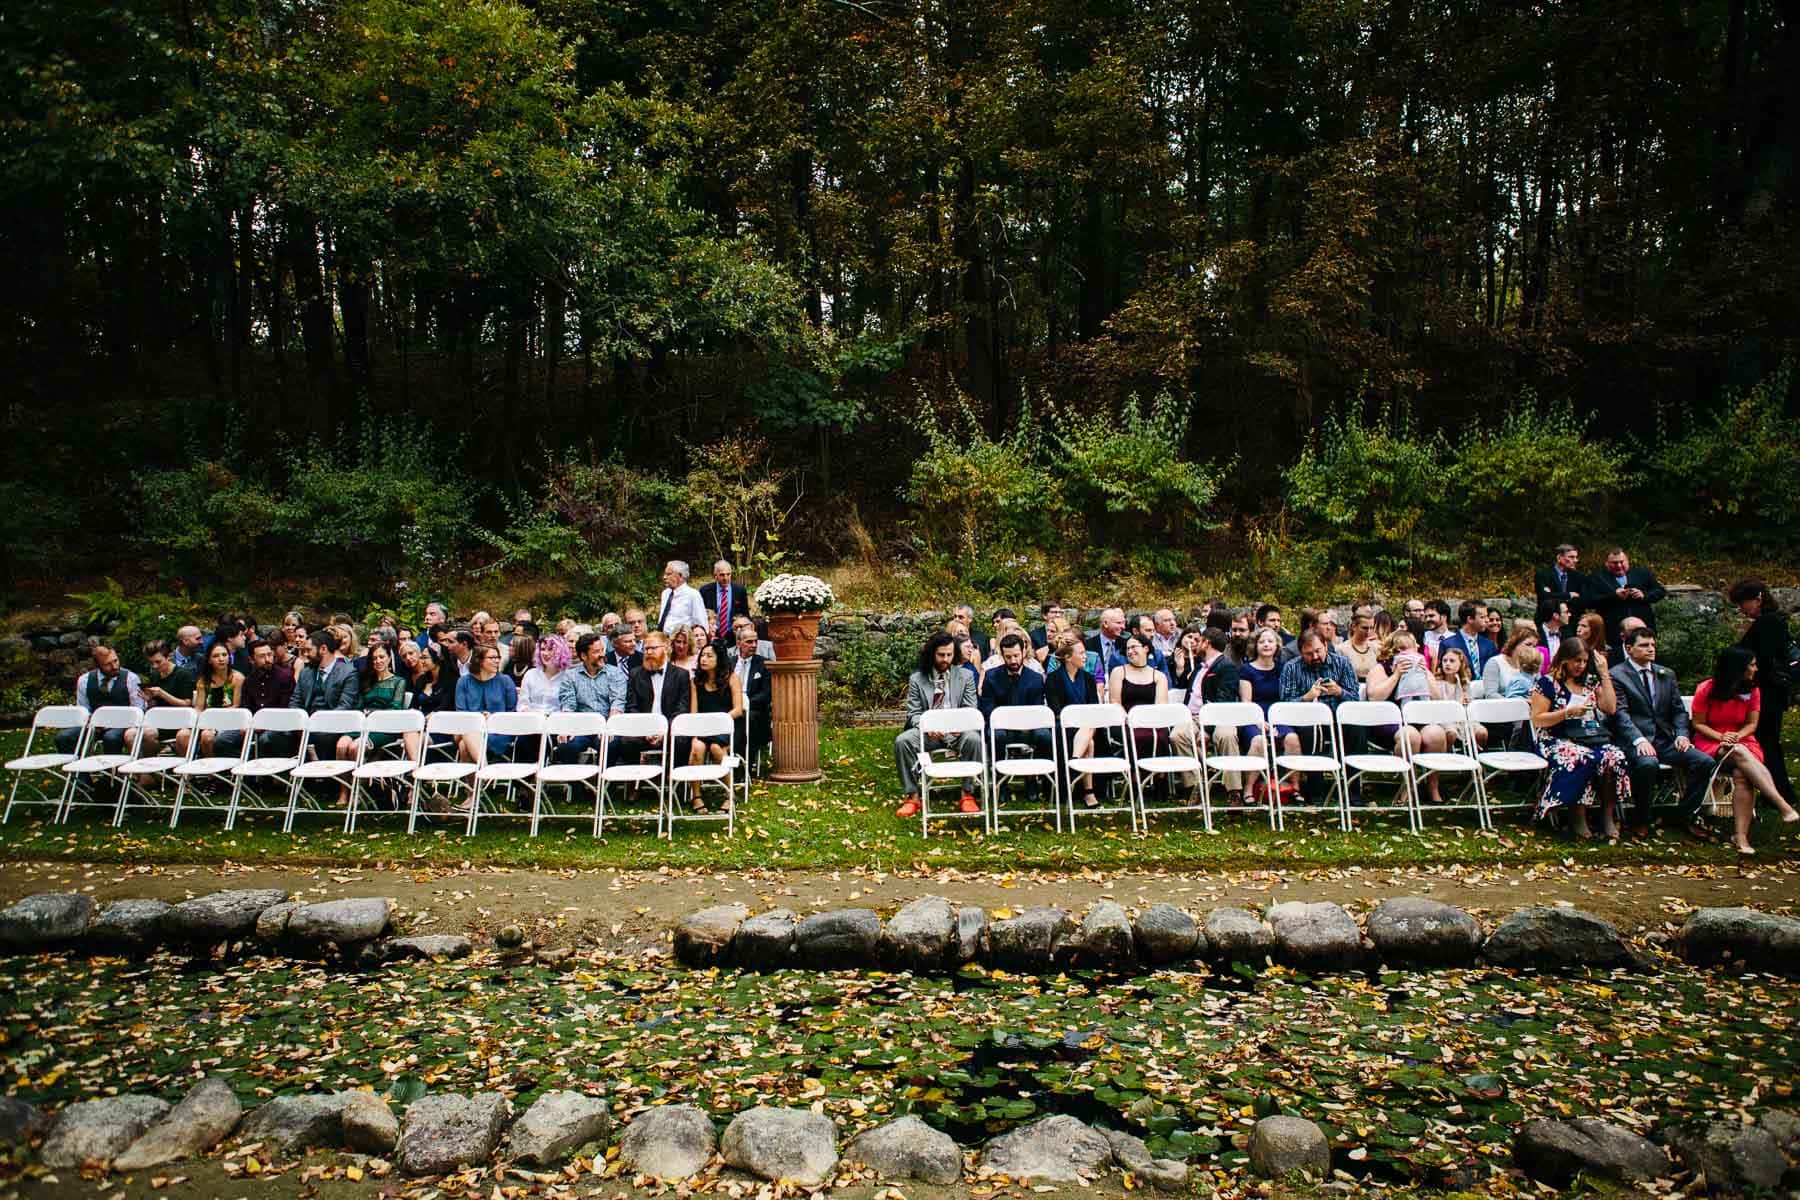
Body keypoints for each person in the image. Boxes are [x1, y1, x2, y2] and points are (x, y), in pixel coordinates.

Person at [1690, 646, 1800, 854]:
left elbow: (1752, 724)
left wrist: (1737, 736)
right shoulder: (1706, 688)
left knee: (1742, 774)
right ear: (1737, 668)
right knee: (1739, 753)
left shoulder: (1753, 690)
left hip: (1743, 739)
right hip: (1711, 740)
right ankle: (1782, 804)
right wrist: (1722, 737)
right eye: (1752, 664)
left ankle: (1740, 837)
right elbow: (1698, 724)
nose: (1756, 668)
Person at [1609, 627, 1714, 841]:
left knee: (1704, 762)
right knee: (1647, 764)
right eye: (1644, 645)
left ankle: (1683, 814)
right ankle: (1641, 818)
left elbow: (1678, 711)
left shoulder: (1666, 674)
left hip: (1665, 740)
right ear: (1629, 649)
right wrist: (1638, 739)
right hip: (1635, 740)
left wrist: (1682, 735)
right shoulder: (1617, 675)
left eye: (1653, 645)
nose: (1651, 649)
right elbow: (1620, 714)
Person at [1530, 638, 1630, 840]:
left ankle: (1607, 815)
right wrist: (1566, 713)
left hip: (1589, 736)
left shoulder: (1591, 682)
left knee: (1614, 756)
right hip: (1555, 737)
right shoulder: (1547, 683)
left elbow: (1610, 708)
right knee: (1580, 756)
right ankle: (1578, 815)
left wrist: (1604, 674)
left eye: (1585, 661)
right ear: (1564, 659)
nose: (1581, 666)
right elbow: (1538, 719)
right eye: (1577, 661)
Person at [894, 633, 982, 818]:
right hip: (929, 732)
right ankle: (912, 796)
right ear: (932, 654)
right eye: (941, 655)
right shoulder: (918, 679)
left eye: (949, 655)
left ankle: (967, 793)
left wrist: (962, 724)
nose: (945, 659)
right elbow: (913, 713)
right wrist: (927, 725)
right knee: (903, 741)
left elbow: (970, 708)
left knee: (974, 739)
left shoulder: (965, 676)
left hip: (958, 731)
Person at [1728, 580, 1794, 807]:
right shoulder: (1771, 621)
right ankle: (1776, 789)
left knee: (1767, 740)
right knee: (1767, 739)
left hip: (1768, 692)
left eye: (1743, 603)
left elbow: (1762, 659)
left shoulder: (1768, 622)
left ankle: (1777, 791)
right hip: (1769, 690)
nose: (1742, 609)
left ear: (1757, 599)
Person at [332, 640, 406, 804]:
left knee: (355, 747)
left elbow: (395, 708)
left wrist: (371, 713)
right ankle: (343, 791)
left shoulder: (398, 682)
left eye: (382, 657)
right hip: (362, 724)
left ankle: (357, 791)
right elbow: (358, 705)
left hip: (383, 727)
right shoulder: (366, 681)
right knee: (341, 744)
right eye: (374, 658)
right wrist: (363, 713)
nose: (378, 661)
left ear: (389, 658)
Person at [981, 634, 1052, 801]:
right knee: (996, 735)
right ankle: (1001, 782)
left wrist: (1028, 724)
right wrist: (1005, 723)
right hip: (1002, 728)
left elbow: (1037, 709)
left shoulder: (1035, 678)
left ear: (1023, 652)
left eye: (1016, 656)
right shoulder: (991, 677)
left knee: (1044, 735)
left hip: (1029, 727)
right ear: (1002, 655)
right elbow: (987, 709)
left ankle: (1034, 779)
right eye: (1008, 657)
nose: (1013, 660)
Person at [1044, 633, 1102, 808]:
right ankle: (1088, 791)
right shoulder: (1053, 679)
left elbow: (1094, 707)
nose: (1085, 656)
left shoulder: (1088, 678)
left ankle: (1074, 761)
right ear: (1068, 657)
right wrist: (1076, 718)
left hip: (1089, 724)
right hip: (1065, 727)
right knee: (1089, 743)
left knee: (1090, 727)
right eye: (1082, 653)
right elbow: (1056, 709)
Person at [1238, 628, 1296, 803]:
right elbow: (1246, 703)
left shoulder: (1283, 669)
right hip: (1253, 717)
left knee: (1292, 738)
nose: (1266, 645)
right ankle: (1248, 789)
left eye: (1270, 641)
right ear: (1255, 646)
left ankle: (1293, 787)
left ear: (1277, 645)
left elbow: (1287, 698)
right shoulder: (1246, 670)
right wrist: (1260, 722)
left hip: (1277, 717)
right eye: (1262, 641)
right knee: (1259, 741)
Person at [286, 628, 361, 763]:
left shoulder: (348, 673)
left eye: (309, 650)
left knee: (322, 737)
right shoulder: (306, 672)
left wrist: (318, 722)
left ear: (323, 649)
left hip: (332, 725)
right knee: (272, 736)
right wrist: (300, 720)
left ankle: (322, 780)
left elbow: (345, 706)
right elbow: (295, 701)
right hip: (305, 724)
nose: (306, 654)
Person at [622, 631, 695, 767]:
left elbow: (682, 708)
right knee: (626, 741)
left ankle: (675, 781)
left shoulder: (681, 675)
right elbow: (632, 707)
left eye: (653, 648)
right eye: (646, 649)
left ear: (666, 648)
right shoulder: (635, 674)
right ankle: (635, 783)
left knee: (681, 740)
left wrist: (664, 730)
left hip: (670, 728)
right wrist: (646, 729)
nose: (649, 652)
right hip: (643, 729)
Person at [685, 642, 745, 809]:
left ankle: (729, 794)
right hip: (703, 726)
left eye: (709, 656)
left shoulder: (732, 678)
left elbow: (738, 709)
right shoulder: (695, 682)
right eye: (702, 655)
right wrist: (696, 732)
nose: (704, 659)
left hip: (728, 726)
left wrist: (720, 721)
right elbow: (694, 713)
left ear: (720, 659)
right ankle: (696, 796)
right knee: (697, 748)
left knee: (716, 748)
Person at [553, 633, 628, 765]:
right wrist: (565, 728)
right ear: (583, 656)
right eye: (596, 652)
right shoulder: (571, 676)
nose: (601, 654)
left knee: (609, 745)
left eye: (602, 650)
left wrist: (608, 727)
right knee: (565, 747)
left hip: (607, 725)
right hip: (581, 727)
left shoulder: (615, 673)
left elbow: (618, 702)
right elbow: (568, 705)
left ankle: (606, 784)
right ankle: (577, 785)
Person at [455, 643, 519, 766]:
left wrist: (493, 717)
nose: (497, 661)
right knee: (469, 731)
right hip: (469, 727)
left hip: (499, 730)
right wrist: (479, 718)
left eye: (498, 657)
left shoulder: (505, 680)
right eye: (492, 658)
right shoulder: (463, 681)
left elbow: (512, 711)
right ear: (479, 660)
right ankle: (484, 770)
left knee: (464, 746)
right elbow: (461, 711)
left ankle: (477, 781)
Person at [1593, 548, 1665, 647]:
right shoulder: (1598, 577)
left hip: (1642, 625)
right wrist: (1613, 596)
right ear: (1607, 563)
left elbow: (1660, 591)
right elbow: (1590, 600)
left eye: (1621, 562)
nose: (1619, 566)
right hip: (1613, 629)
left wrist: (1644, 595)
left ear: (1627, 561)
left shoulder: (1642, 573)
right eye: (1614, 563)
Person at [726, 623, 772, 766]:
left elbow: (766, 694)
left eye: (755, 641)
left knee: (749, 720)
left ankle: (746, 767)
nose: (753, 645)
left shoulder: (764, 664)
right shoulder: (729, 664)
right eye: (749, 642)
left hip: (754, 711)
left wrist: (745, 705)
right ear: (738, 643)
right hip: (731, 708)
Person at [699, 560, 752, 646]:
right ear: (715, 575)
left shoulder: (739, 590)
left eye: (728, 574)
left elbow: (745, 614)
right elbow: (701, 615)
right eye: (722, 575)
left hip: (734, 636)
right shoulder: (705, 591)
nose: (726, 578)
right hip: (712, 635)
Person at [1439, 601, 1498, 676]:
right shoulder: (1448, 644)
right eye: (1482, 617)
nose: (1487, 620)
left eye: (1487, 616)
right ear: (1470, 619)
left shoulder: (1488, 644)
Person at [519, 634, 571, 715]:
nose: (545, 653)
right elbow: (522, 704)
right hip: (532, 720)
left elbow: (568, 707)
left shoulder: (568, 677)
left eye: (550, 649)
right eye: (542, 649)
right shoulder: (530, 675)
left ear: (560, 652)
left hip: (557, 722)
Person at [1483, 626, 1541, 698]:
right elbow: (1490, 694)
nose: (1532, 649)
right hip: (1502, 706)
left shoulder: (1533, 664)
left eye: (1534, 646)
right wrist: (1516, 703)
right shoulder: (1494, 663)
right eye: (1528, 644)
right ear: (1515, 643)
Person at [1535, 544, 1587, 622]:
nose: (1576, 560)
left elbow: (1583, 601)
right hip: (1548, 621)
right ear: (1559, 558)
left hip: (1571, 622)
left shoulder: (1579, 577)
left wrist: (1554, 595)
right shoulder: (1543, 575)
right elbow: (1544, 597)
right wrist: (1569, 595)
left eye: (1576, 557)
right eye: (1571, 557)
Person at [141, 640, 197, 711]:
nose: (154, 666)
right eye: (151, 663)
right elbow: (155, 705)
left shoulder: (183, 674)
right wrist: (149, 700)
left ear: (169, 657)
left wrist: (162, 694)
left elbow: (186, 704)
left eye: (158, 662)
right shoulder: (154, 675)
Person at [655, 560, 707, 636]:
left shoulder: (692, 595)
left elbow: (700, 622)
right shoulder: (665, 593)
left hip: (681, 640)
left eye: (669, 574)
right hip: (663, 639)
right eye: (665, 574)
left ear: (680, 576)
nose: (664, 577)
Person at [1086, 608, 1130, 683]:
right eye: (1119, 623)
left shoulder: (1126, 644)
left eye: (1124, 623)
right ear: (1105, 624)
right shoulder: (1088, 645)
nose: (1123, 627)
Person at [1341, 609, 1381, 684]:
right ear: (1354, 627)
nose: (1368, 631)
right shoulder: (1342, 649)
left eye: (1371, 628)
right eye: (1364, 628)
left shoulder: (1376, 648)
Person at [1168, 627, 1204, 693]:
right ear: (1182, 637)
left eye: (1196, 640)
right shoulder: (1171, 659)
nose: (1192, 641)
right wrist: (1179, 668)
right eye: (1189, 637)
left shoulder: (1200, 660)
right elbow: (1174, 683)